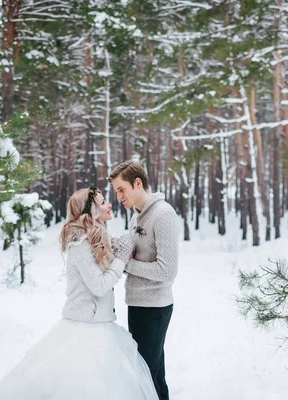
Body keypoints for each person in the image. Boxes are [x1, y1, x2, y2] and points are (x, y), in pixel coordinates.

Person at [0, 186, 158, 400]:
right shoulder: (80, 246)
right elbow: (99, 286)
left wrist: (116, 251)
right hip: (85, 329)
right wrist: (120, 259)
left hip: (101, 323)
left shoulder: (97, 239)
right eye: (102, 203)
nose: (109, 204)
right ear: (89, 213)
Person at [109, 161, 179, 400]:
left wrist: (126, 264)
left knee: (146, 374)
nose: (118, 196)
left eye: (121, 189)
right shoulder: (136, 217)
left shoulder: (163, 215)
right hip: (138, 304)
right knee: (153, 374)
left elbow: (167, 271)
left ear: (137, 183)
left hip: (154, 308)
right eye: (116, 191)